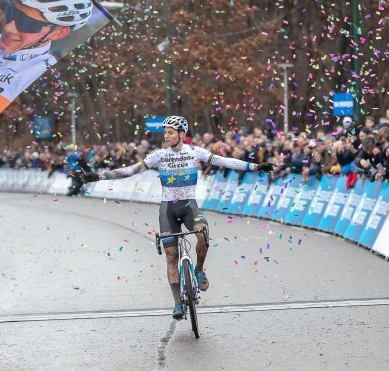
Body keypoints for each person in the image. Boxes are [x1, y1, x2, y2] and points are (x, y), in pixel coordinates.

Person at [79, 116, 275, 319]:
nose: (166, 136)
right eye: (165, 133)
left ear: (182, 134)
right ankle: (177, 303)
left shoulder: (194, 152)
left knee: (203, 233)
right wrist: (100, 176)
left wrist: (255, 167)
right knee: (171, 255)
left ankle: (199, 270)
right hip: (168, 210)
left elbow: (224, 161)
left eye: (170, 132)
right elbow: (132, 170)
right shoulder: (159, 155)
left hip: (189, 205)